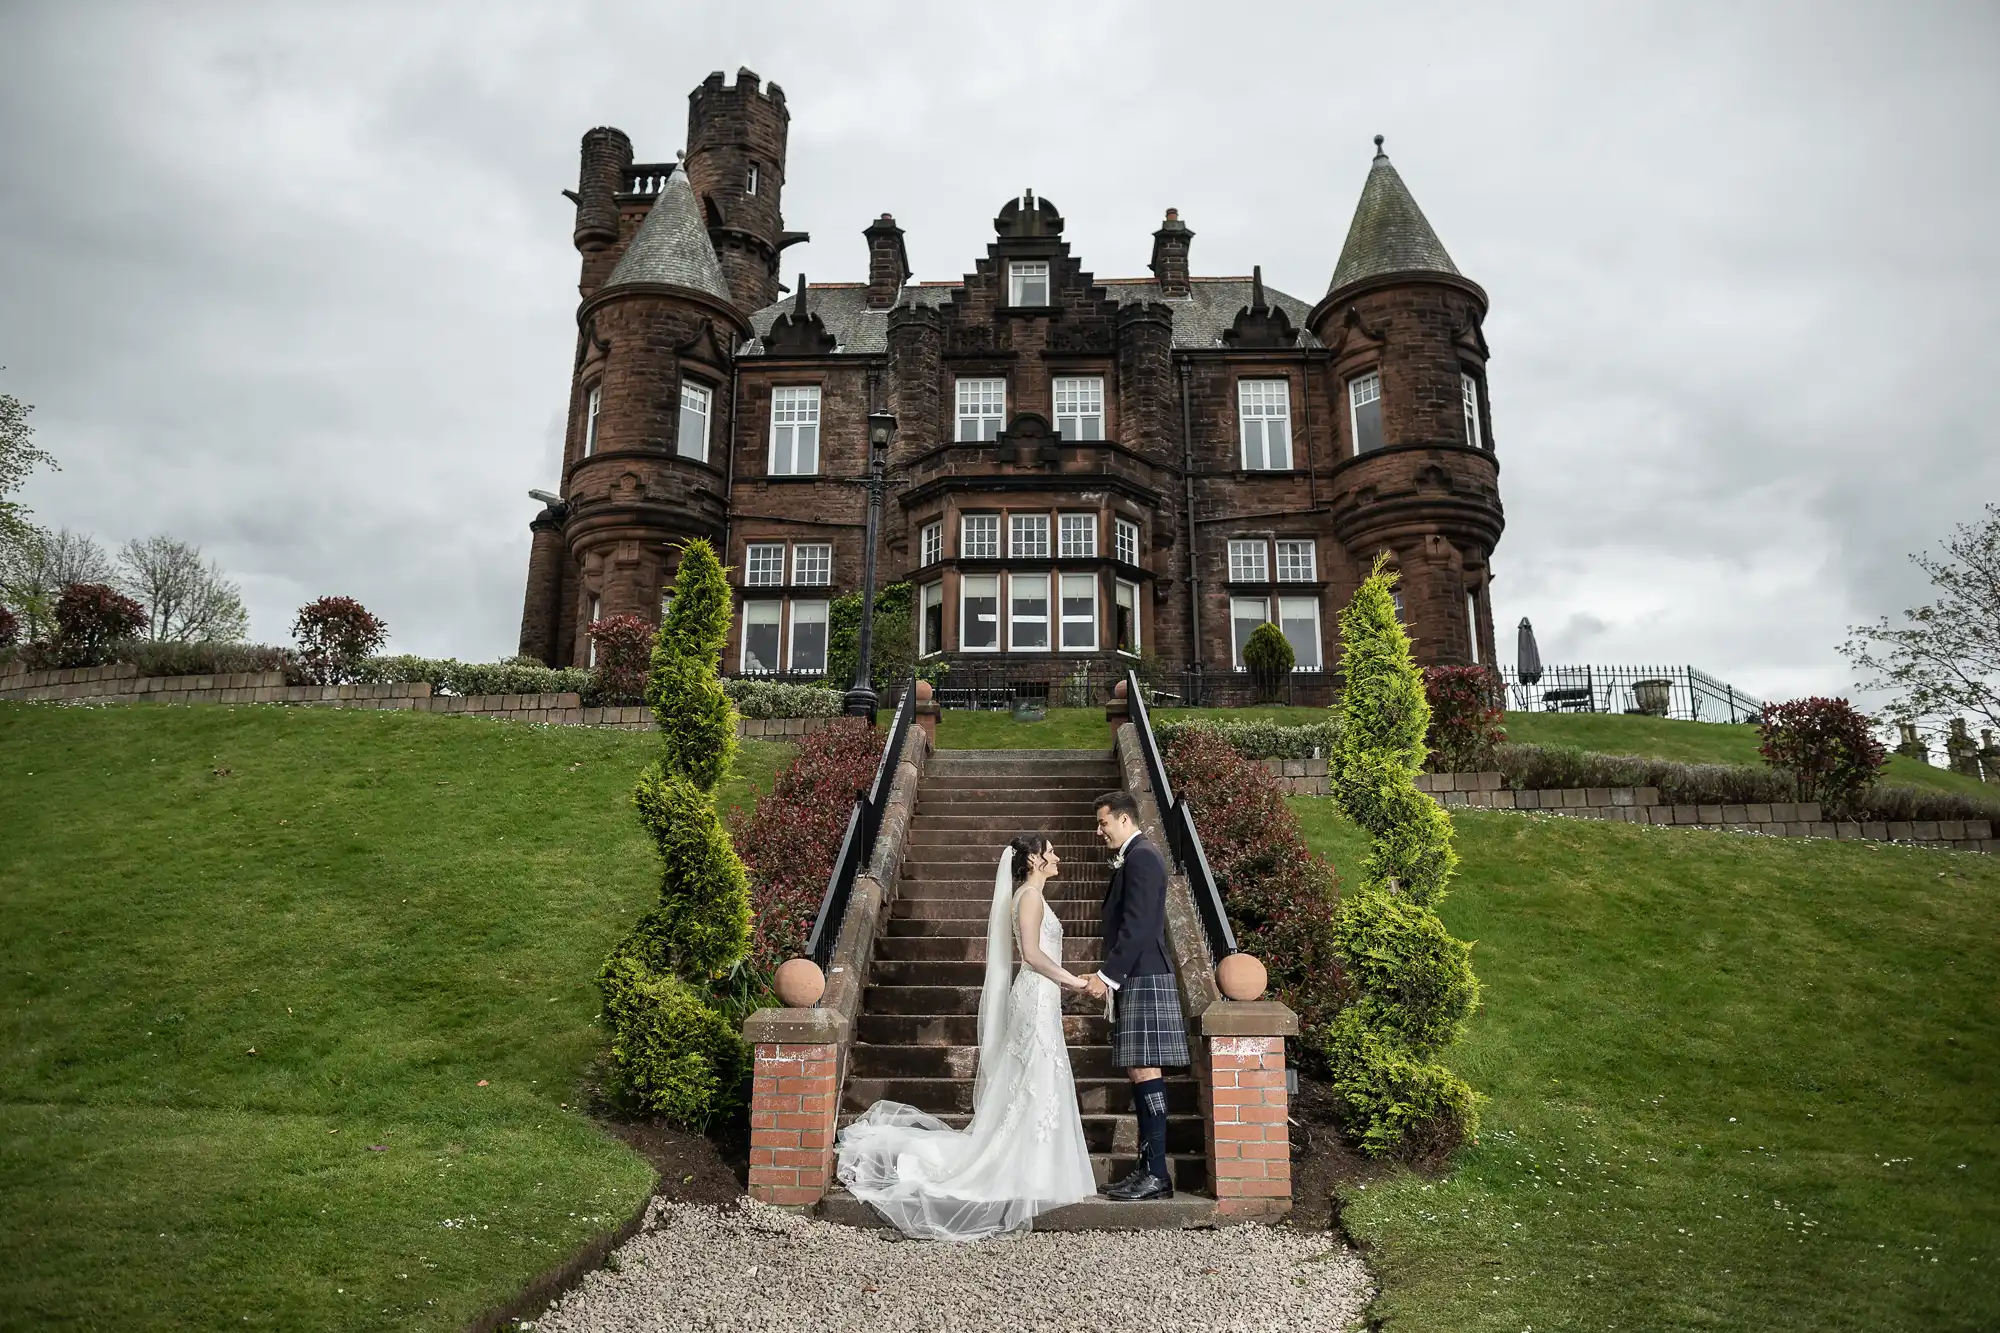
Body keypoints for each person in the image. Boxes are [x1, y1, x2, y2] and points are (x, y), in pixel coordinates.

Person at [832, 833, 1098, 1240]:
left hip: (1042, 997)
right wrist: (1073, 982)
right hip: (1036, 995)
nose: (1057, 856)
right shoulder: (1028, 896)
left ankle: (1038, 1169)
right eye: (1050, 852)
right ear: (1032, 859)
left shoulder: (1034, 896)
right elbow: (1030, 953)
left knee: (1038, 1079)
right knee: (1035, 1076)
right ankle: (1023, 1170)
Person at [1083, 790, 1189, 1201]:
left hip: (1143, 975)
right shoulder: (1137, 854)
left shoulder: (1142, 856)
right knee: (1137, 1071)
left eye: (1103, 822)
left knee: (1146, 1070)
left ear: (1124, 820)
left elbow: (1141, 925)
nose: (1099, 830)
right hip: (1137, 976)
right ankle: (1148, 1169)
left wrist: (1108, 976)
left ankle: (1157, 1175)